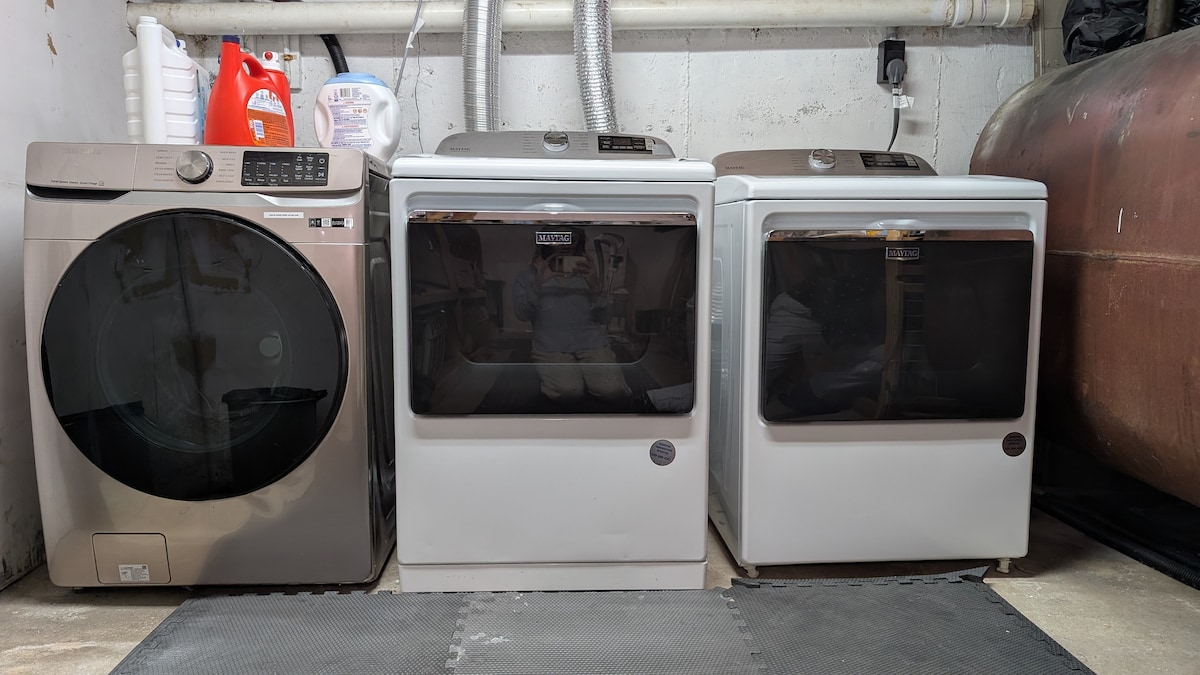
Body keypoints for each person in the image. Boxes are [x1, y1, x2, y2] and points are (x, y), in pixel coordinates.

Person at [511, 229, 631, 405]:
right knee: (568, 392)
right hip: (550, 345)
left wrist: (595, 285)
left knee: (612, 390)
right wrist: (538, 284)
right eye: (558, 239)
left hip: (590, 342)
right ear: (546, 241)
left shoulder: (587, 270)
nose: (565, 245)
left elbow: (605, 318)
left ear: (579, 242)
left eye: (571, 239)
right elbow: (521, 314)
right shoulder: (529, 274)